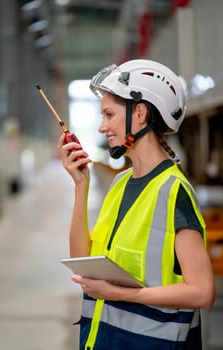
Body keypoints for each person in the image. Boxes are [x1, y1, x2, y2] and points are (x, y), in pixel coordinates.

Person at [58, 59, 215, 350]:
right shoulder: (120, 184)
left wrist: (121, 294)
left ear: (139, 113)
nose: (102, 127)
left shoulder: (173, 191)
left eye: (108, 114)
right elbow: (83, 263)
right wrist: (81, 186)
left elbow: (202, 292)